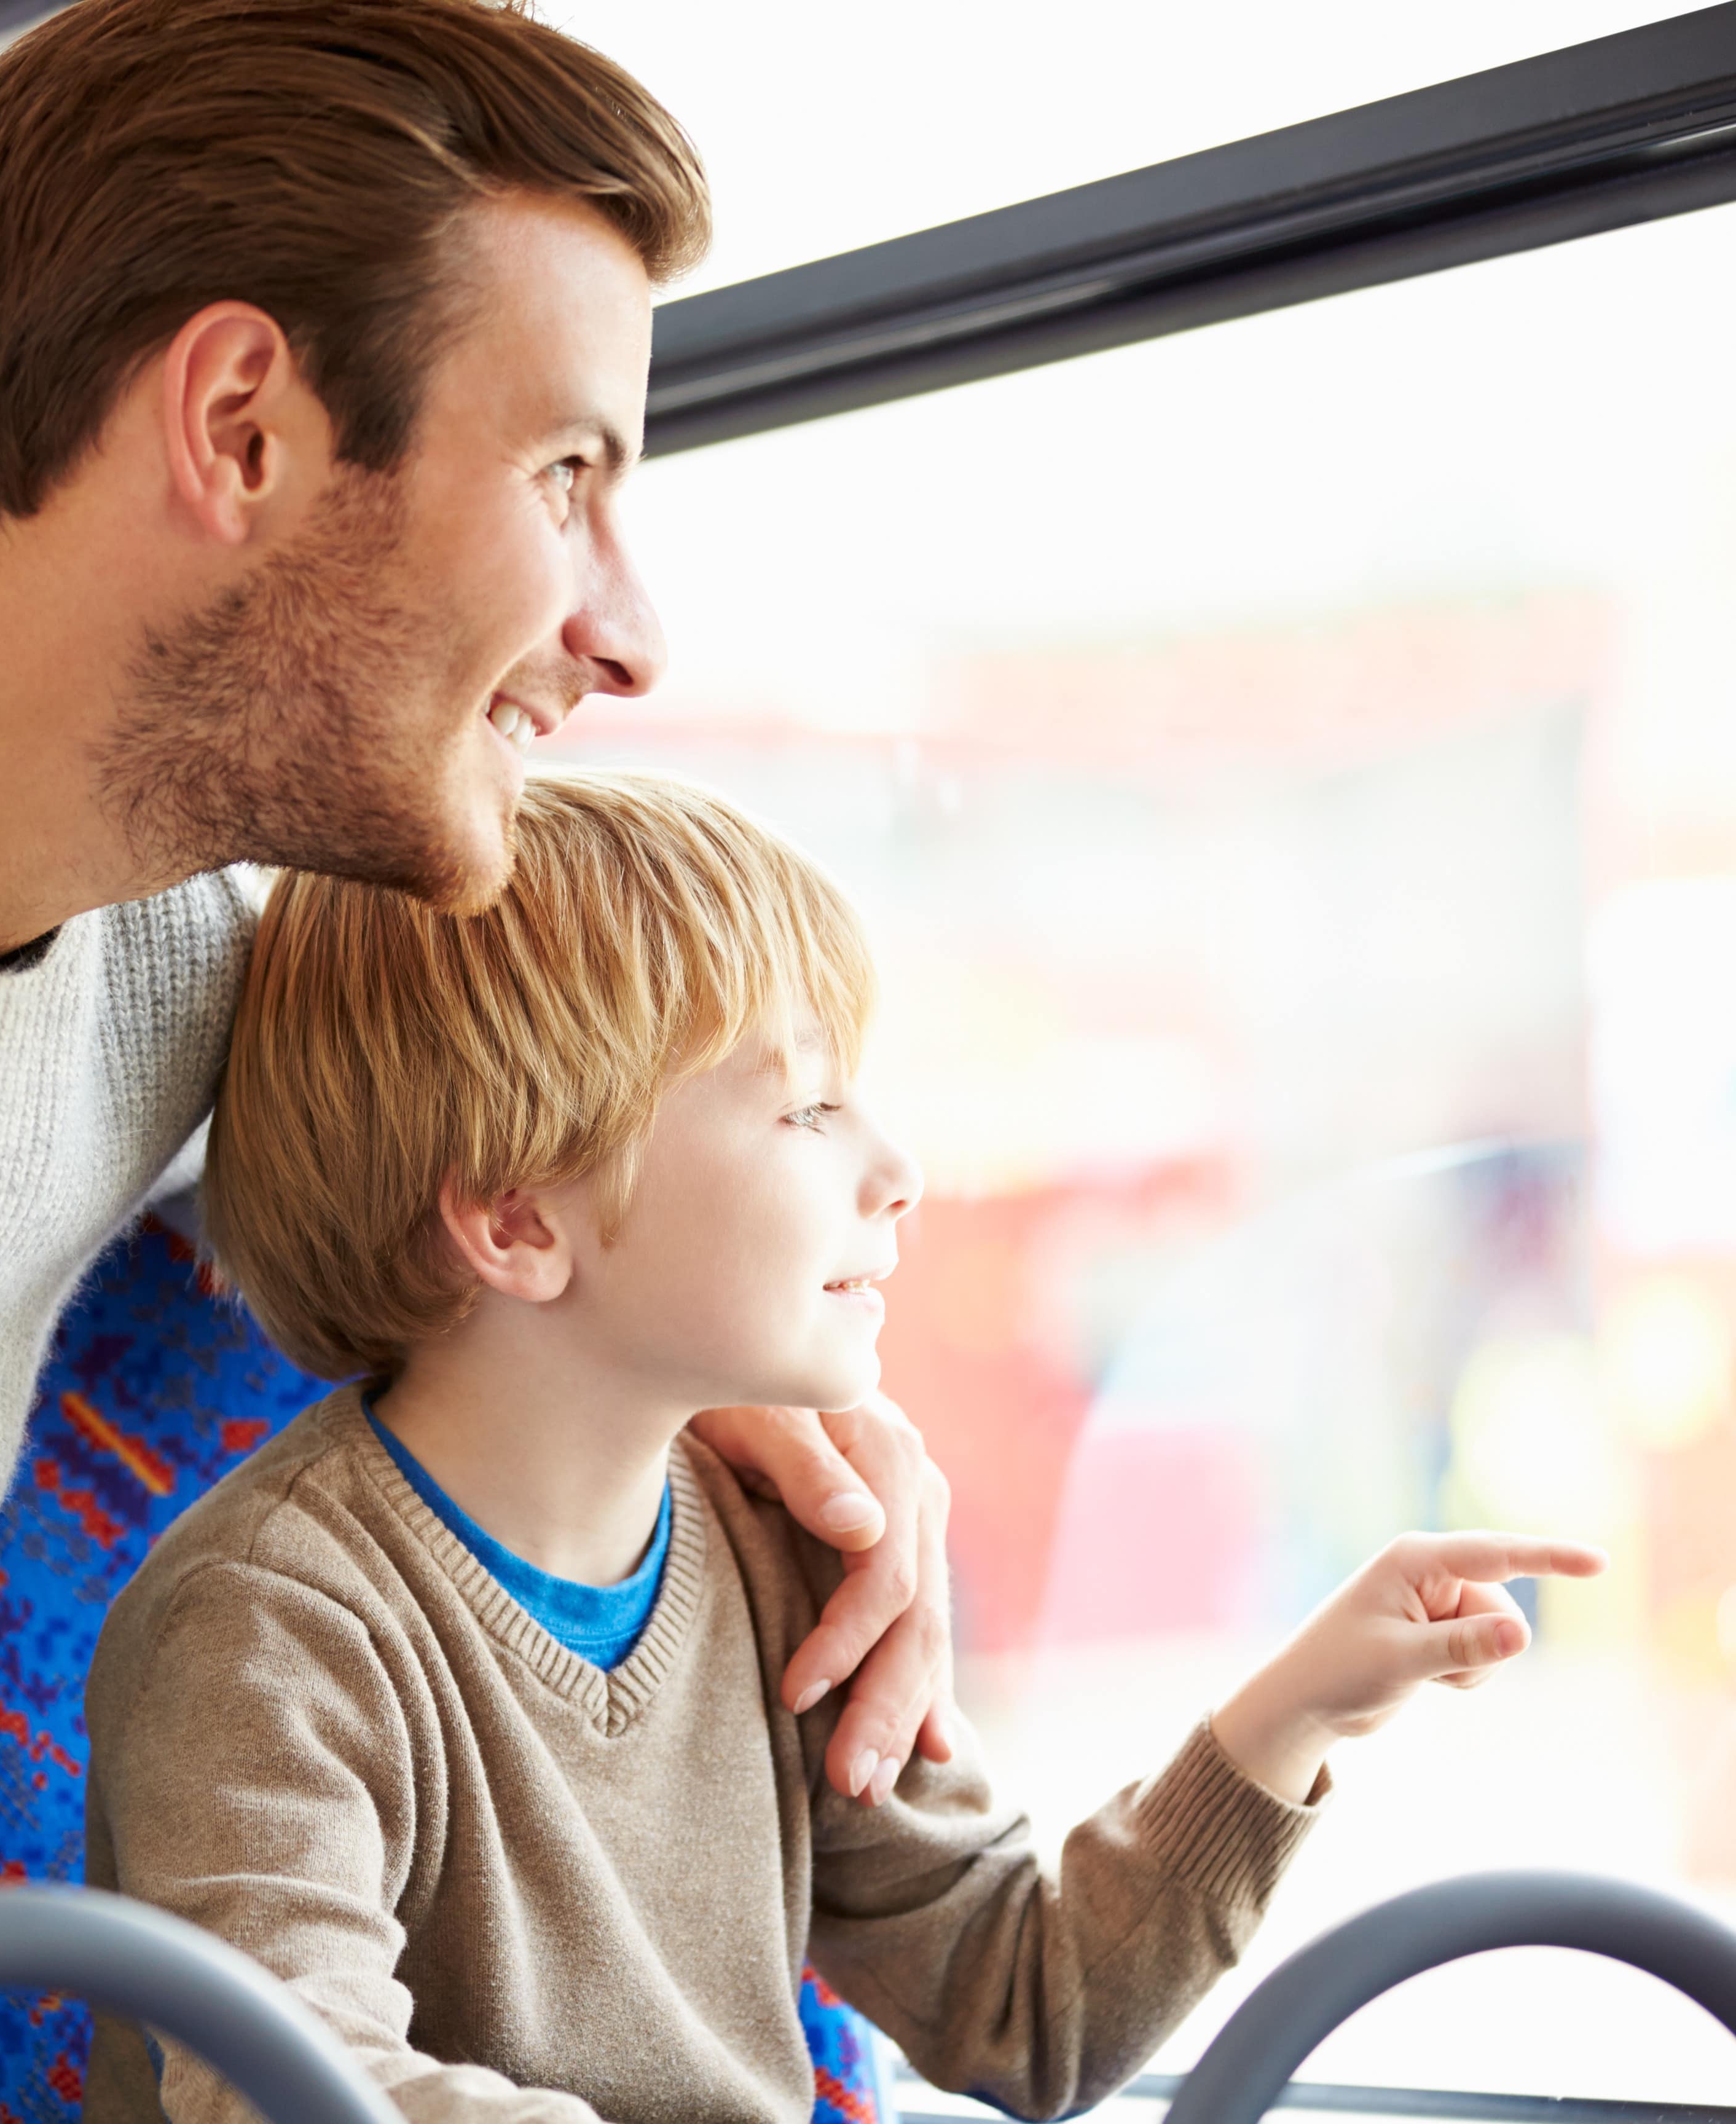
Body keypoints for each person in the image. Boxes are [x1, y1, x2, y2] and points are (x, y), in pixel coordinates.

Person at [0, 6, 958, 2118]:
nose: (632, 635)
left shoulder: (164, 978)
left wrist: (800, 1443)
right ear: (241, 426)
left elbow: (502, 1263)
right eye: (565, 478)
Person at [84, 769, 1607, 2124]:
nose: (900, 1168)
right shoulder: (272, 1631)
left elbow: (1030, 2008)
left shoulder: (779, 1549)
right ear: (522, 1221)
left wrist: (1295, 1715)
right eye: (807, 1109)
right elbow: (285, 2078)